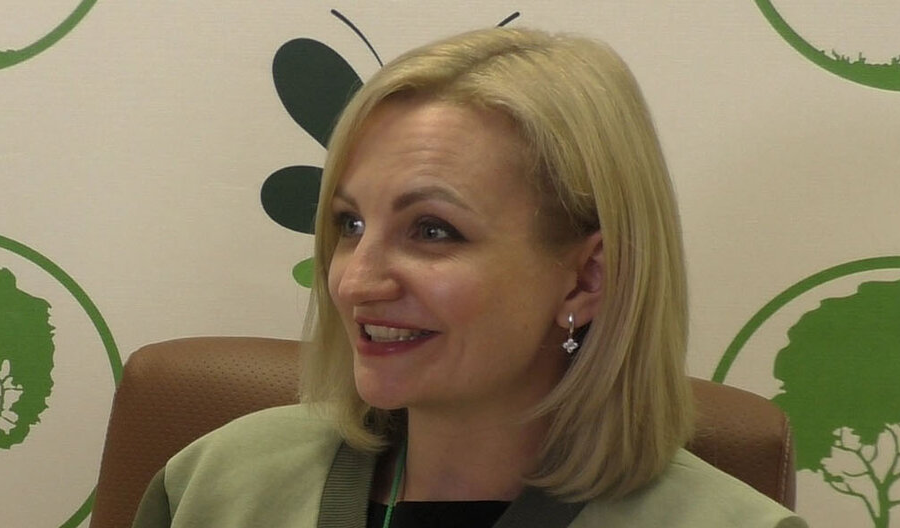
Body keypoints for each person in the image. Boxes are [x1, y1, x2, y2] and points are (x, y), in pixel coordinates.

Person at [132, 27, 807, 528]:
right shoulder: (211, 486)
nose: (355, 282)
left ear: (587, 279)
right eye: (350, 224)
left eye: (431, 230)